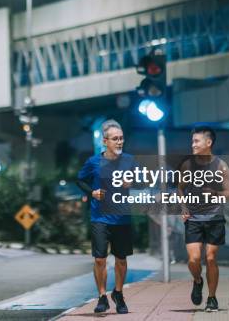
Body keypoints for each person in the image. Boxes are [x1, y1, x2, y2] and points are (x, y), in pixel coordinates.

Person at [77, 119, 135, 314]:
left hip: (122, 218)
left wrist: (132, 182)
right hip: (100, 218)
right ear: (105, 141)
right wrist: (92, 192)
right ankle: (102, 296)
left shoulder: (129, 160)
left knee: (121, 259)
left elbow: (141, 181)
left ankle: (118, 293)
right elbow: (80, 180)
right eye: (115, 139)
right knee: (100, 259)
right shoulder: (93, 162)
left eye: (121, 139)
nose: (119, 142)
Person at [178, 126, 229, 312]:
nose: (192, 144)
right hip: (193, 219)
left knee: (211, 258)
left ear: (208, 143)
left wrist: (215, 193)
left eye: (196, 141)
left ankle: (212, 298)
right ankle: (197, 280)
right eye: (192, 141)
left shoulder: (221, 166)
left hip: (214, 218)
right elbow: (179, 189)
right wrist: (184, 207)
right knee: (194, 260)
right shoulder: (187, 165)